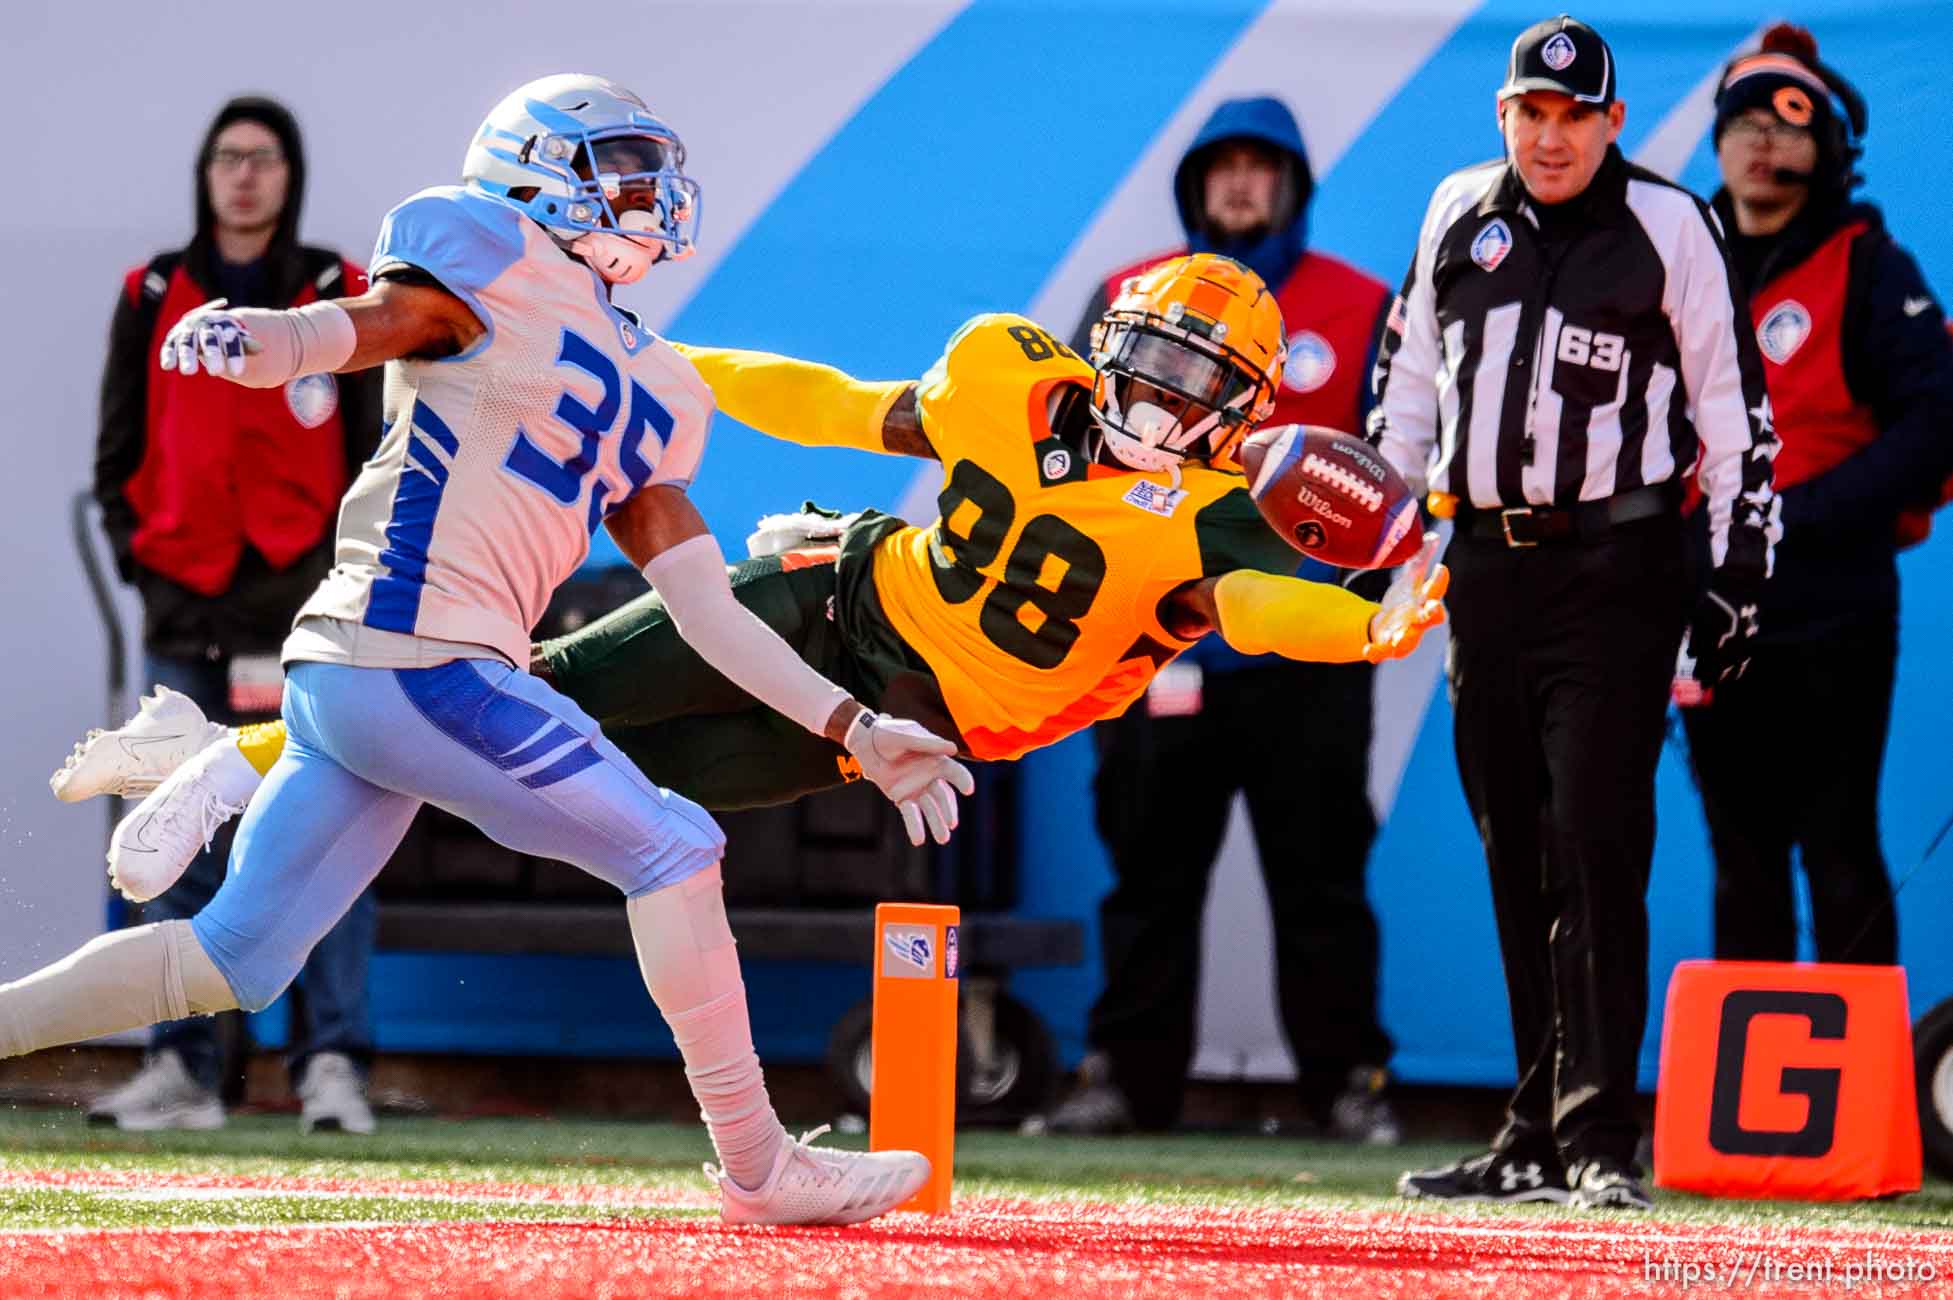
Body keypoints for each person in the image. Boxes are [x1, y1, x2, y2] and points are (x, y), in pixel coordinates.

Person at [14, 73, 976, 1228]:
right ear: (534, 168)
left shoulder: (660, 382)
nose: (646, 189)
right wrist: (268, 341)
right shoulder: (490, 251)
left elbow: (708, 611)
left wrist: (854, 727)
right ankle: (762, 1166)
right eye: (618, 163)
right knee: (675, 847)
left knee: (234, 958)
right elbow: (371, 326)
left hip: (365, 671)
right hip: (422, 657)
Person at [60, 254, 1451, 913]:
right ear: (1105, 342)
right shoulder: (1007, 378)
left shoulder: (1218, 517)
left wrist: (1371, 628)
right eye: (1149, 357)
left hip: (903, 728)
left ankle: (235, 759)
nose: (1159, 393)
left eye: (1197, 381)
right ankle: (235, 759)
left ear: (1243, 407)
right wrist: (662, 372)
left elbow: (1269, 613)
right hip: (830, 599)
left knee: (600, 798)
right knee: (530, 700)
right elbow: (842, 404)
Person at [1370, 16, 1780, 1211]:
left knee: (1594, 843)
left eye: (1574, 117)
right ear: (1504, 117)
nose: (1550, 138)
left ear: (1612, 122)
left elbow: (1736, 414)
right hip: (1483, 570)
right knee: (1514, 851)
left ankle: (1602, 1136)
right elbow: (1404, 392)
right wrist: (1385, 543)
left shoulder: (1671, 224)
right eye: (1529, 115)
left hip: (1620, 567)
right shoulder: (1456, 211)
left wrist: (1735, 576)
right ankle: (1531, 1136)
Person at [1043, 95, 1401, 1142]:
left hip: (1304, 655)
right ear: (1195, 183)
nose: (1241, 183)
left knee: (1323, 877)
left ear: (1292, 186)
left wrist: (1352, 613)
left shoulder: (1362, 304)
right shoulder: (1124, 298)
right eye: (1223, 166)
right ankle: (1126, 1082)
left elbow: (1397, 481)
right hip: (1159, 649)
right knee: (1147, 876)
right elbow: (1067, 465)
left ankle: (1349, 1086)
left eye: (1262, 166)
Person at [64, 96, 384, 1135]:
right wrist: (143, 563)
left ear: (290, 176)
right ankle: (183, 1068)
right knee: (167, 835)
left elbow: (373, 452)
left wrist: (343, 581)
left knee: (322, 831)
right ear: (206, 174)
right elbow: (116, 455)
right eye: (227, 158)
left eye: (264, 158)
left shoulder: (336, 289)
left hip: (305, 615)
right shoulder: (153, 290)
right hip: (182, 603)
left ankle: (331, 1062)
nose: (245, 175)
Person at [1678, 24, 1953, 966]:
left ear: (1826, 147)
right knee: (1737, 857)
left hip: (1834, 606)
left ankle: (1858, 1103)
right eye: (1742, 121)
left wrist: (1794, 519)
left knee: (1839, 848)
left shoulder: (1872, 268)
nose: (1761, 141)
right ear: (1717, 143)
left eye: (1785, 123)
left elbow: (1934, 427)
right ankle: (1747, 1108)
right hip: (1708, 612)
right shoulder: (1678, 267)